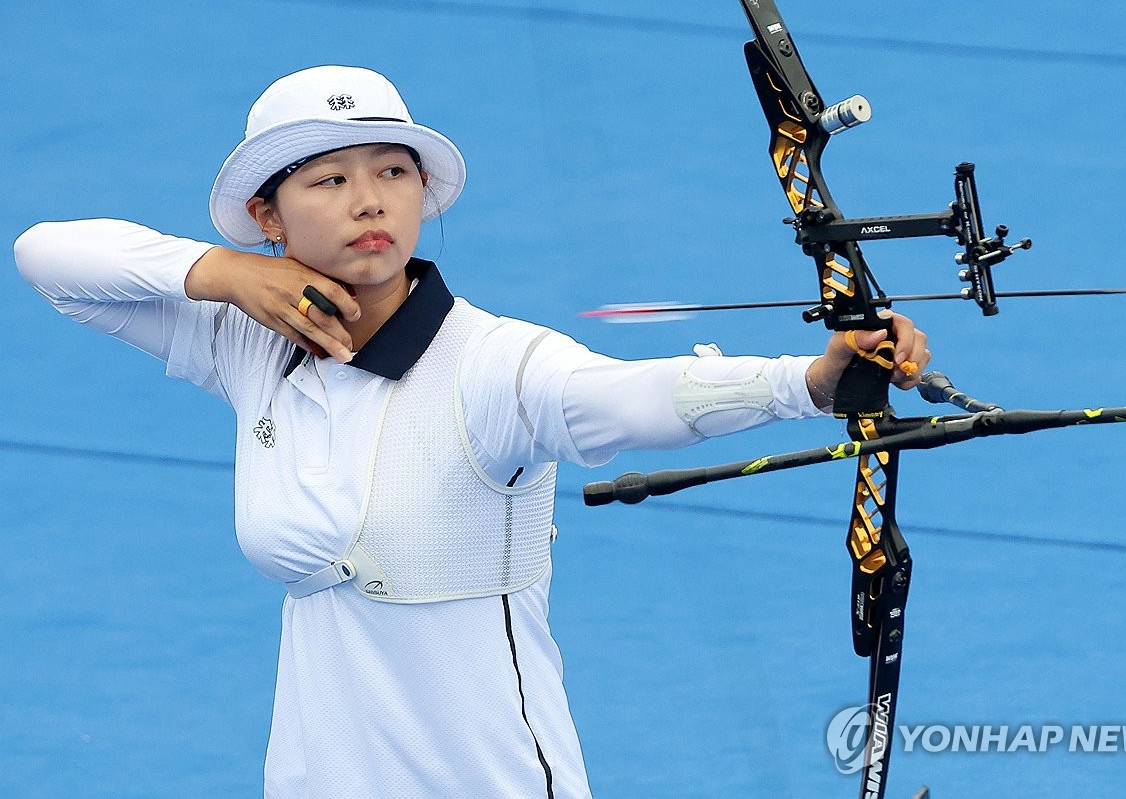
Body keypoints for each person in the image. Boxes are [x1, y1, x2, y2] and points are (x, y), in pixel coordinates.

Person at [14, 65, 929, 798]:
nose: (369, 201)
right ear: (268, 216)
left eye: (393, 172)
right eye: (328, 180)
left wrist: (805, 381)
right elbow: (48, 256)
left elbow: (621, 397)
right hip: (315, 775)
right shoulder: (244, 340)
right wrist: (221, 274)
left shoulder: (495, 363)